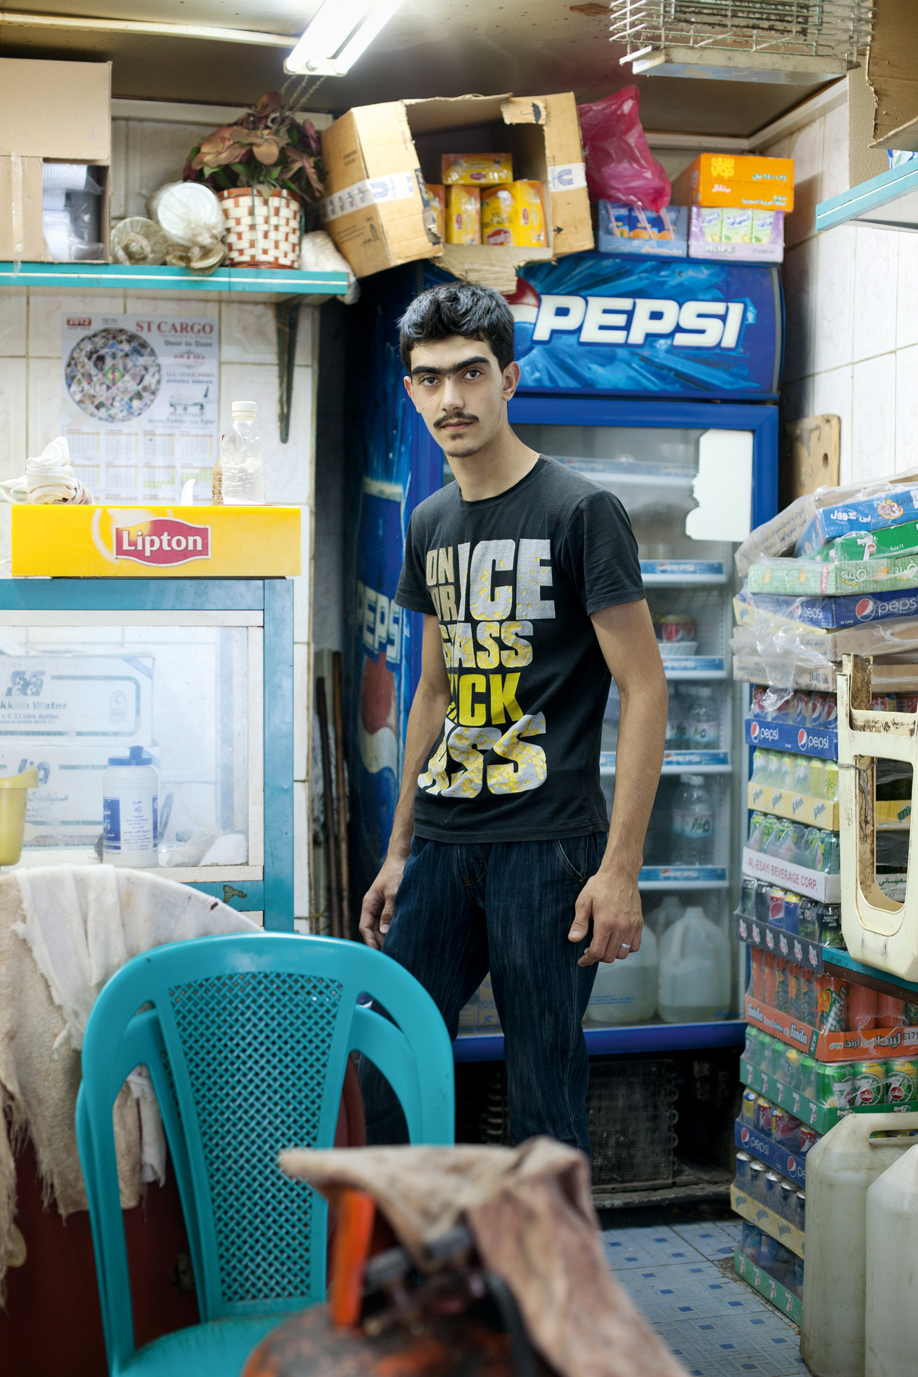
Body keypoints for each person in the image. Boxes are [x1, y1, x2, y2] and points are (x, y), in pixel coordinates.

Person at [358, 281, 668, 1154]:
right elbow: (433, 692)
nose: (450, 398)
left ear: (509, 379)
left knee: (544, 1093)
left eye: (470, 373)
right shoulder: (430, 523)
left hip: (549, 845)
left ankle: (547, 1290)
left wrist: (621, 869)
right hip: (446, 843)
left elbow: (646, 688)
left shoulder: (580, 512)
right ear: (412, 390)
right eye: (429, 379)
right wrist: (399, 848)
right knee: (385, 1061)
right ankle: (417, 1268)